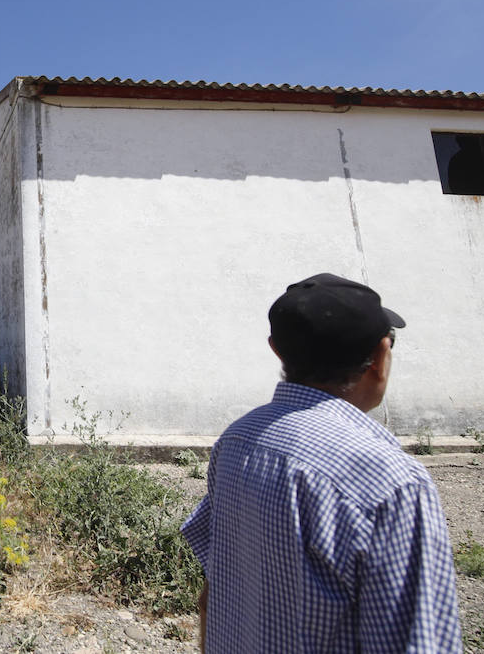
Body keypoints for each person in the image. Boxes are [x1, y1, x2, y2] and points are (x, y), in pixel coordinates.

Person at [180, 273, 461, 653]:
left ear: (276, 350)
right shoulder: (391, 481)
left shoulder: (236, 441)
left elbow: (213, 592)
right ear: (380, 357)